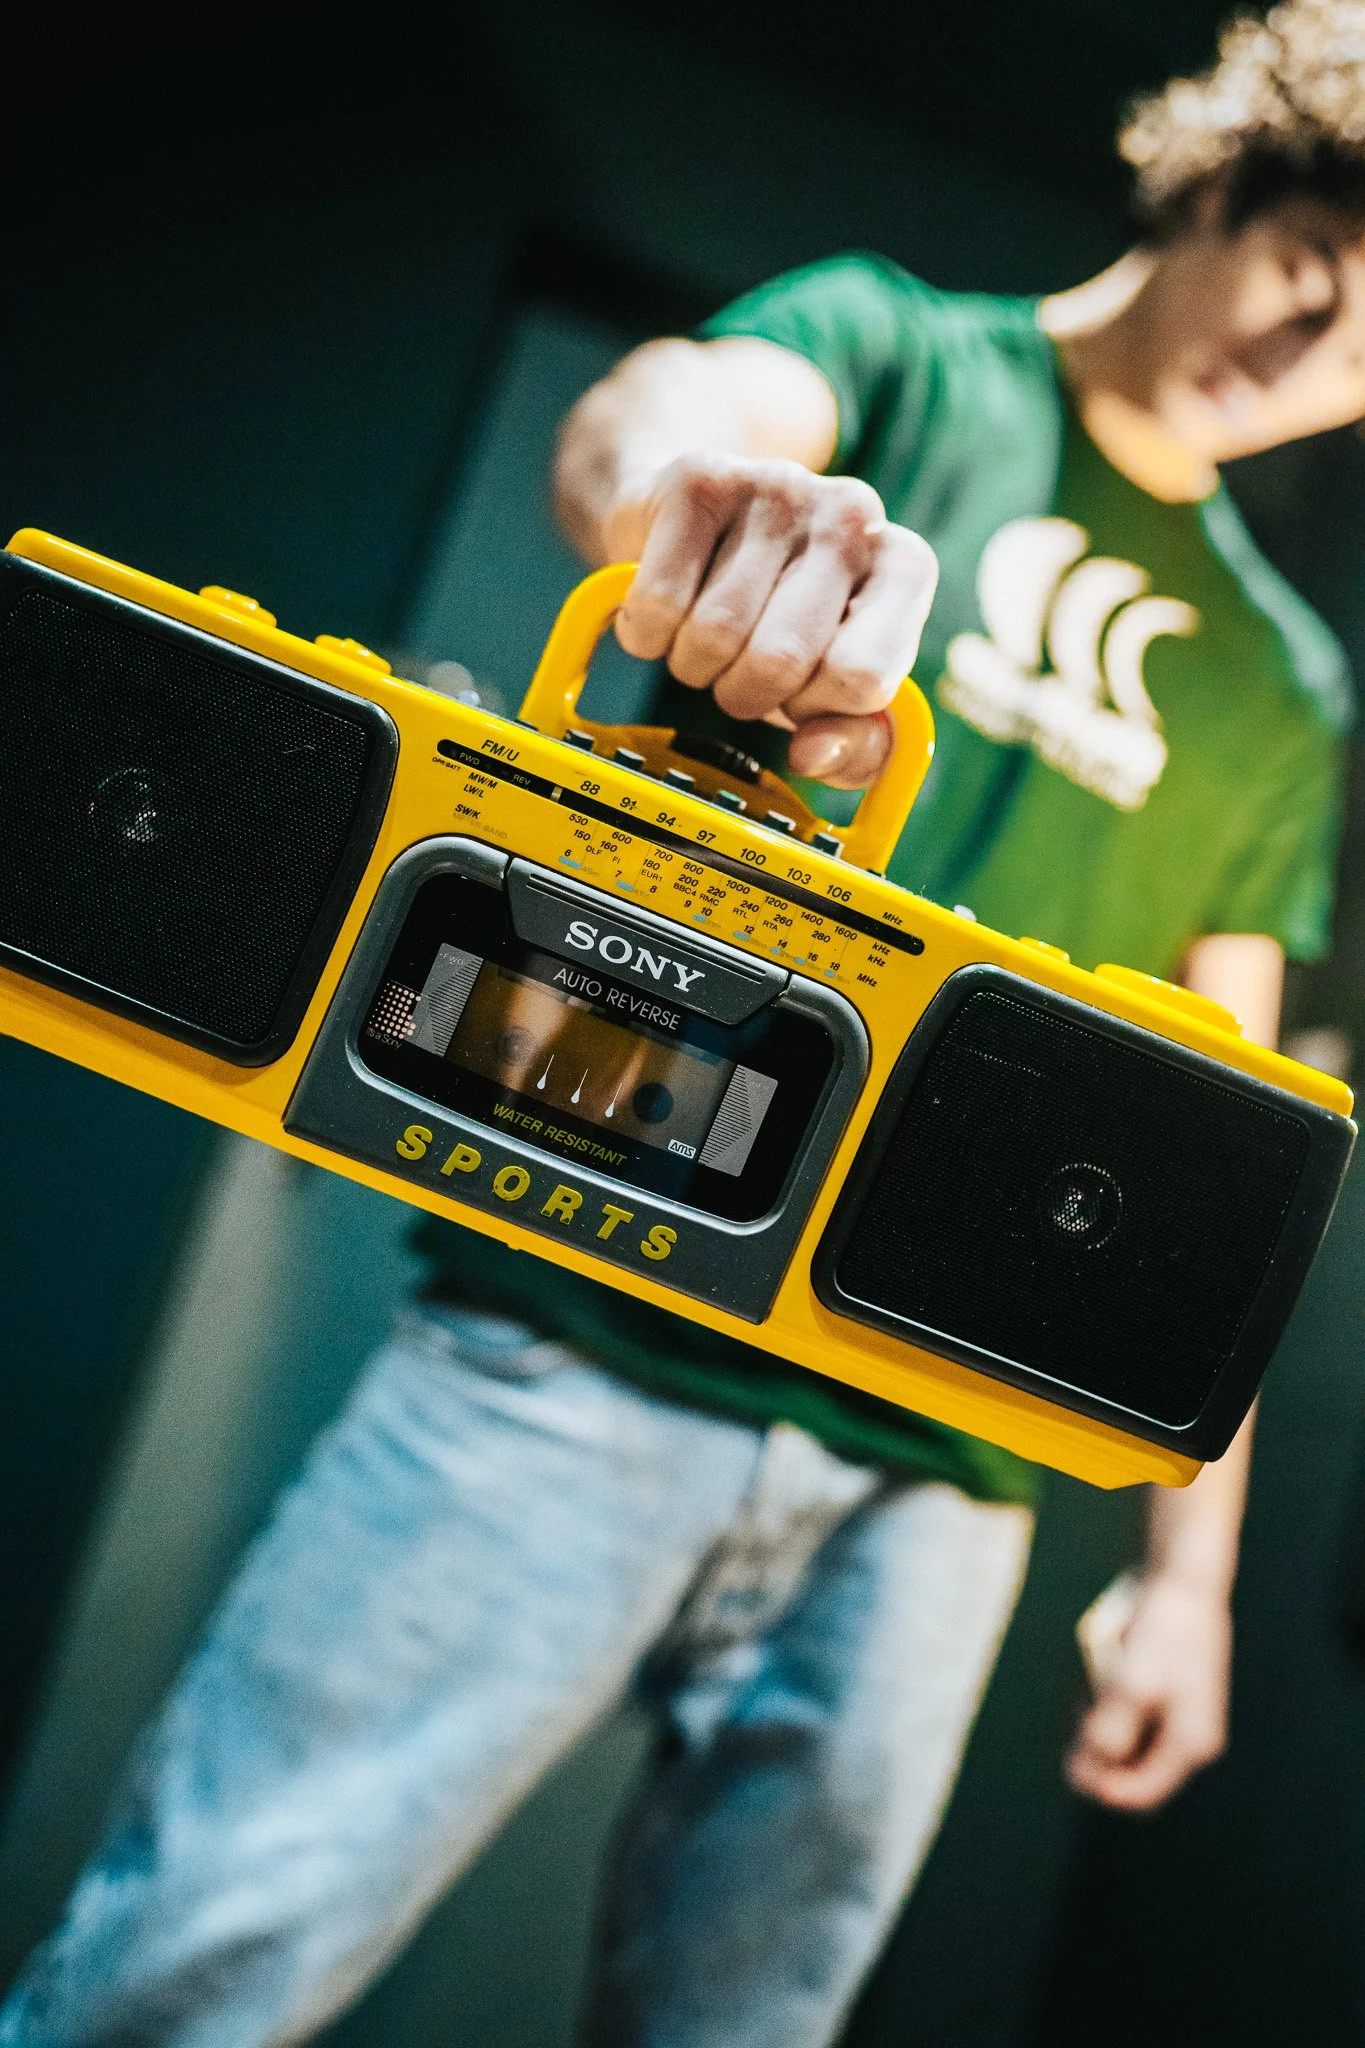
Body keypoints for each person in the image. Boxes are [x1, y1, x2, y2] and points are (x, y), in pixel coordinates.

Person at [5, 3, 1364, 2041]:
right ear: (1230, 179)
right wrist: (694, 521)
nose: (1317, 339)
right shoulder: (893, 354)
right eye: (1318, 257)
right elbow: (658, 430)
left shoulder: (1285, 691)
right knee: (193, 1964)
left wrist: (1188, 1586)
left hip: (934, 1476)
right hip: (576, 1346)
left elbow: (1217, 1173)